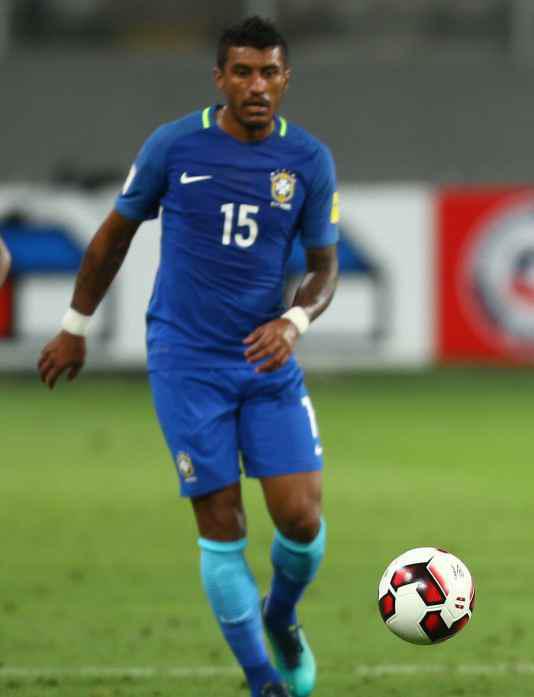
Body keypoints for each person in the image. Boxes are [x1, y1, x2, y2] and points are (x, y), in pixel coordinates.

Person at [36, 17, 339, 697]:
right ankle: (262, 679)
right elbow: (113, 236)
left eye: (268, 72)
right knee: (221, 520)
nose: (256, 86)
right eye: (243, 72)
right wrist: (75, 324)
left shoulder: (309, 160)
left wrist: (293, 321)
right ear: (220, 78)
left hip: (266, 359)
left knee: (301, 517)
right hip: (187, 360)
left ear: (286, 78)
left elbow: (324, 268)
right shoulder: (175, 146)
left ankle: (282, 615)